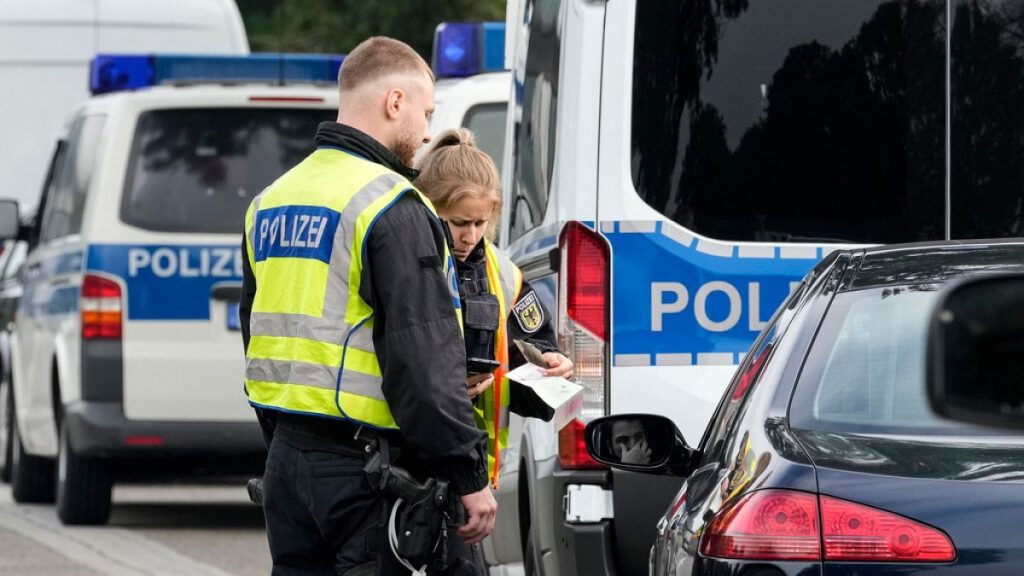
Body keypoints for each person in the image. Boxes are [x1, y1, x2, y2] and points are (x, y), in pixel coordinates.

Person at [239, 38, 495, 576]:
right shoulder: (391, 205)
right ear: (394, 102)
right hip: (368, 472)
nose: (428, 132)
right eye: (426, 112)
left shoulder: (271, 201)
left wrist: (286, 444)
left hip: (287, 462)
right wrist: (468, 476)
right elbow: (421, 360)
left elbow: (257, 338)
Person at [414, 129, 573, 488]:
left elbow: (529, 354)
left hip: (474, 475)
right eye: (458, 223)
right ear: (427, 207)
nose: (470, 236)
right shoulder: (408, 265)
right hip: (411, 467)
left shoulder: (504, 276)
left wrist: (550, 365)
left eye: (479, 223)